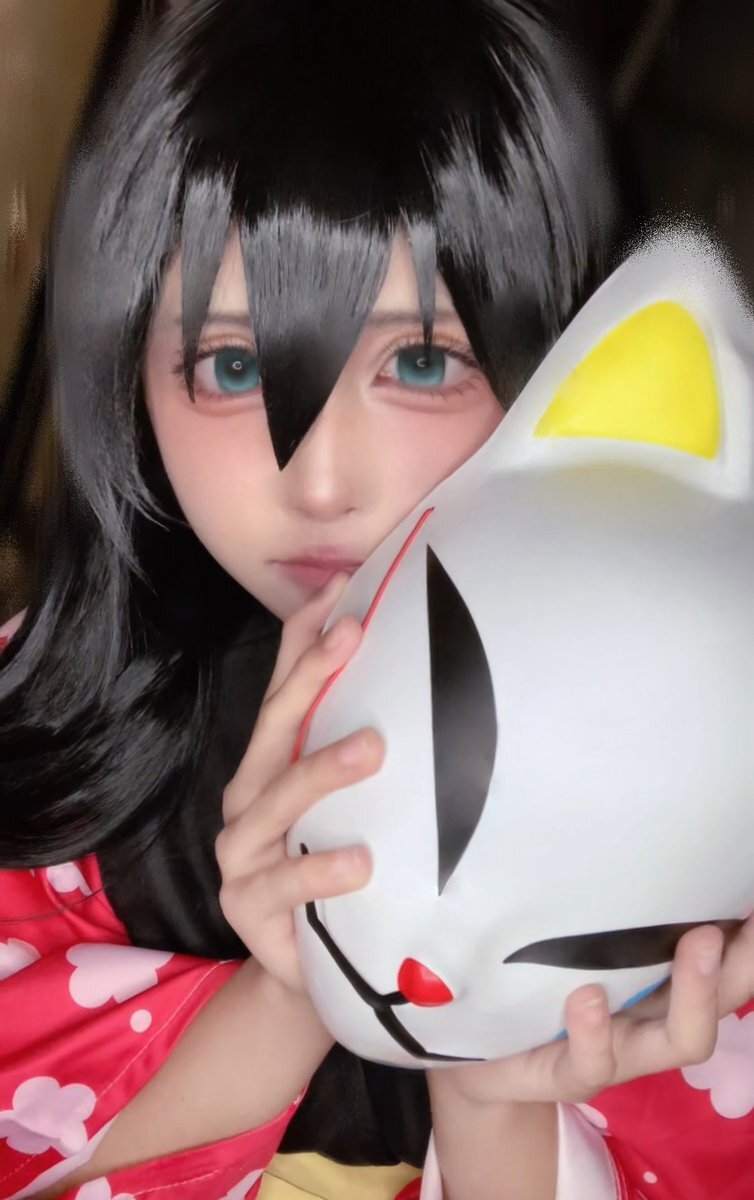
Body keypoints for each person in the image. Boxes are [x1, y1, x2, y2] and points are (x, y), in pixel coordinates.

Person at [1, 1, 753, 1198]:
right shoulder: (30, 733)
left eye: (419, 361)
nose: (318, 483)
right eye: (232, 366)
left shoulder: (705, 816)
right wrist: (292, 988)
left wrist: (492, 1088)